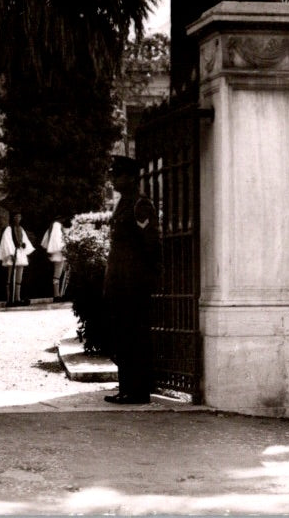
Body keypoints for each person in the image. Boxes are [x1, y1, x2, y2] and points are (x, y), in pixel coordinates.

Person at [103, 155, 159, 405]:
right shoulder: (124, 203)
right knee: (123, 335)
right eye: (113, 175)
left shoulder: (140, 205)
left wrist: (146, 278)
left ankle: (138, 390)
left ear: (132, 177)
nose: (114, 179)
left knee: (135, 336)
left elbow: (150, 245)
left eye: (118, 175)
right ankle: (127, 387)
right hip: (120, 281)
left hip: (133, 283)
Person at [0, 207, 34, 307]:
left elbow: (25, 240)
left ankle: (17, 298)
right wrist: (10, 254)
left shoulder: (21, 229)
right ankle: (10, 299)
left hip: (20, 253)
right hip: (13, 254)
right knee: (11, 277)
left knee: (19, 278)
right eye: (16, 217)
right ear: (12, 218)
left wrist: (24, 247)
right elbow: (7, 242)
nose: (18, 219)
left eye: (19, 217)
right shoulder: (9, 229)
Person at [42, 215, 72, 302]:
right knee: (57, 274)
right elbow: (55, 240)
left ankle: (62, 294)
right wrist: (62, 249)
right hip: (59, 251)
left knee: (65, 273)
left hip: (63, 251)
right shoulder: (56, 225)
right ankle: (56, 295)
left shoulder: (60, 225)